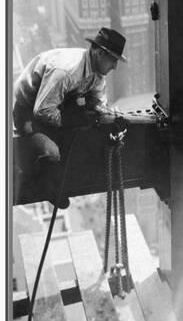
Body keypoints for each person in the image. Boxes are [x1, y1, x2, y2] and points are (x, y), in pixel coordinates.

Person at [13, 27, 127, 208]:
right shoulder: (66, 70)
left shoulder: (97, 73)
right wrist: (74, 120)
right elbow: (42, 111)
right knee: (52, 153)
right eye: (113, 59)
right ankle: (45, 185)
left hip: (57, 106)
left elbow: (98, 103)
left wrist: (108, 115)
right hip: (28, 111)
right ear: (98, 52)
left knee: (84, 135)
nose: (115, 66)